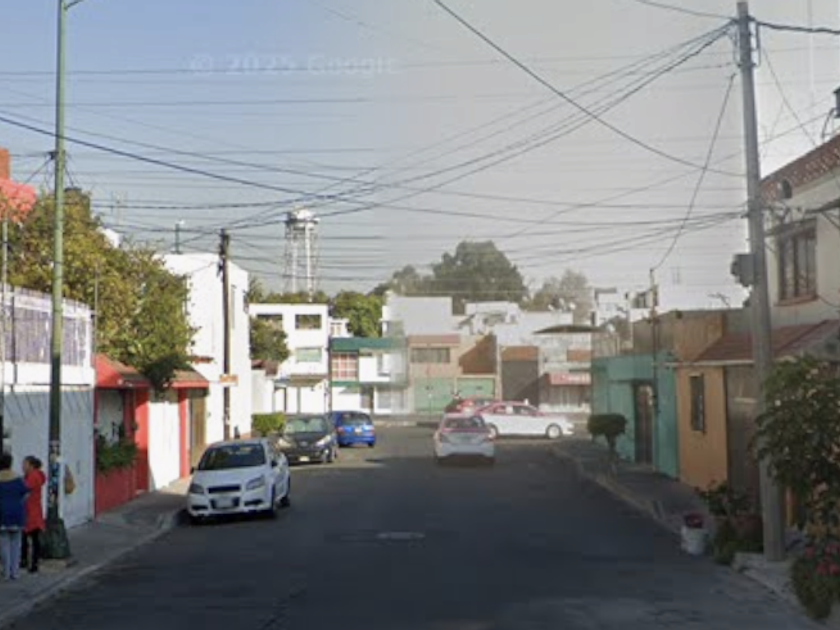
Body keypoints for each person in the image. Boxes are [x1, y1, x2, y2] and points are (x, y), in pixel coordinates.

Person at [0, 453, 29, 580]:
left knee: (4, 544)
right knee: (16, 544)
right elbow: (26, 493)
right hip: (17, 513)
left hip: (2, 514)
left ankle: (6, 572)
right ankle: (15, 572)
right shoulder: (18, 478)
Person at [21, 456, 45, 573]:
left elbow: (25, 491)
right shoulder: (35, 475)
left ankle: (31, 563)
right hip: (34, 511)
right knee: (30, 538)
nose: (23, 466)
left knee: (30, 539)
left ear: (31, 465)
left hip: (31, 512)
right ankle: (28, 561)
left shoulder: (33, 476)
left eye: (25, 464)